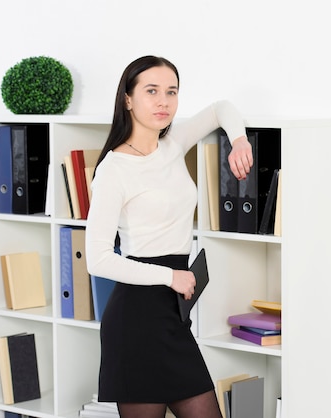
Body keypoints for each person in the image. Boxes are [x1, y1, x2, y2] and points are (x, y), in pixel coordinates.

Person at [85, 55, 253, 418]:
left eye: (171, 92)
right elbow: (97, 258)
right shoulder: (114, 170)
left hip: (172, 313)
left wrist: (239, 141)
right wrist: (169, 277)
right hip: (136, 319)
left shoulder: (172, 144)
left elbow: (220, 108)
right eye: (151, 91)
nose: (164, 101)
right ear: (128, 99)